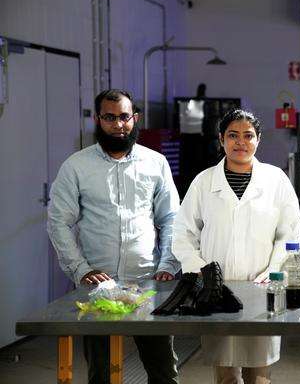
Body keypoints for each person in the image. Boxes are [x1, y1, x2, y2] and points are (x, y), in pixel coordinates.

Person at [47, 89, 180, 384]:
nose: (118, 125)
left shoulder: (155, 163)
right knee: (102, 373)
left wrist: (168, 264)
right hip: (98, 288)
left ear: (135, 118)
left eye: (124, 117)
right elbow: (58, 222)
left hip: (148, 283)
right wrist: (81, 269)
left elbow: (171, 218)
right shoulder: (76, 166)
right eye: (109, 117)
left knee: (163, 372)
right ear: (97, 119)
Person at [172, 109, 300, 384]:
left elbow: (289, 234)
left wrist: (274, 270)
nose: (241, 142)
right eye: (233, 135)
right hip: (218, 290)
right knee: (225, 374)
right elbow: (183, 232)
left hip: (262, 288)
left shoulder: (276, 180)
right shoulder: (205, 181)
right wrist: (200, 270)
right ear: (221, 139)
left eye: (248, 136)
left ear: (258, 140)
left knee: (260, 374)